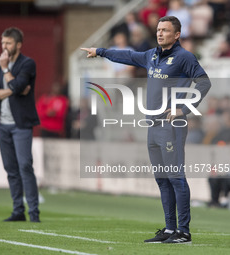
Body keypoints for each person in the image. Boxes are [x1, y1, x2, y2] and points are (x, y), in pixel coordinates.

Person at [81, 16, 211, 243]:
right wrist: (100, 51)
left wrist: (183, 109)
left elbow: (204, 82)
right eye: (159, 29)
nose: (160, 33)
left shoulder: (184, 57)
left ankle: (184, 232)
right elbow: (128, 56)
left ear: (177, 35)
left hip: (172, 126)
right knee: (162, 178)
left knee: (176, 177)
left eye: (165, 30)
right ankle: (170, 229)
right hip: (153, 126)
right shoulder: (151, 55)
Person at [0, 27, 41, 222]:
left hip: (21, 124)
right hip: (2, 124)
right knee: (11, 169)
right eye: (2, 43)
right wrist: (14, 88)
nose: (4, 46)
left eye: (8, 43)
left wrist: (5, 70)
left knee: (25, 166)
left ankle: (34, 212)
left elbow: (20, 86)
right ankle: (18, 210)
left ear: (18, 44)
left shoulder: (27, 63)